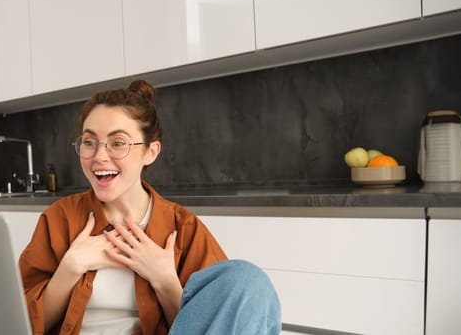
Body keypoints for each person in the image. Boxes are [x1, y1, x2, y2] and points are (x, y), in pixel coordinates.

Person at [18, 80, 281, 335]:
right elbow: (16, 323)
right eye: (89, 142)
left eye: (118, 143)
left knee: (248, 280)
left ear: (151, 152)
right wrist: (70, 268)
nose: (99, 156)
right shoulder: (59, 220)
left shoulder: (184, 228)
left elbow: (216, 323)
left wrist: (164, 280)